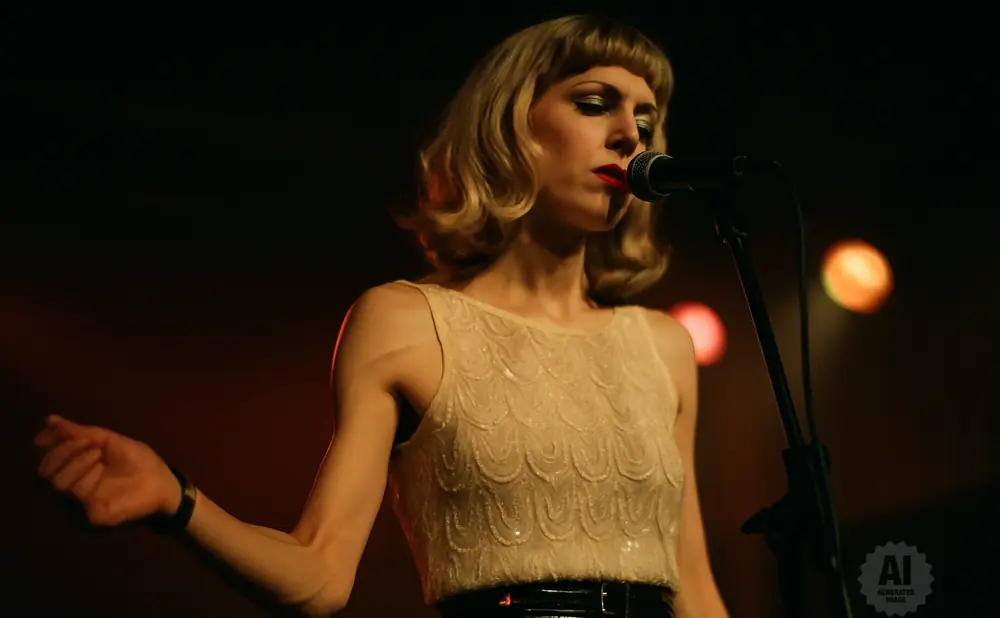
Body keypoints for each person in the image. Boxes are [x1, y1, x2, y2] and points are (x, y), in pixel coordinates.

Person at [33, 14, 731, 618]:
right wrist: (178, 501)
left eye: (645, 119)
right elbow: (319, 577)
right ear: (512, 126)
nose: (629, 137)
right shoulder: (405, 322)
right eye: (594, 103)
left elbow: (695, 593)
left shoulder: (661, 346)